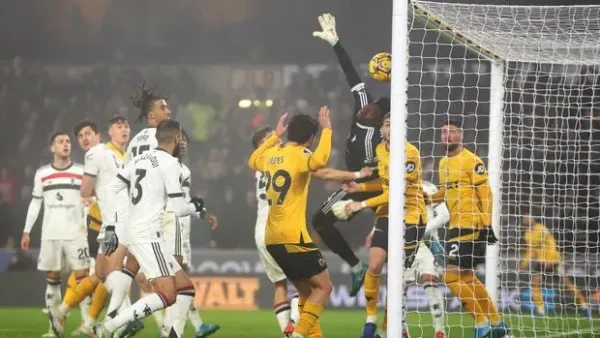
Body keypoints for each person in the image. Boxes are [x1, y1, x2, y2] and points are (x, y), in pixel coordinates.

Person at [93, 119, 206, 337]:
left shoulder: (137, 160)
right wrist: (196, 205)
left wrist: (113, 225)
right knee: (167, 295)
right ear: (177, 138)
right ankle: (108, 327)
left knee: (185, 287)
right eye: (181, 138)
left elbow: (109, 190)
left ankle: (172, 334)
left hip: (137, 231)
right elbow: (180, 208)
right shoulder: (171, 164)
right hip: (149, 235)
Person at [312, 12, 390, 296]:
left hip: (363, 189)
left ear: (379, 120)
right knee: (320, 221)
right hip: (354, 182)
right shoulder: (363, 101)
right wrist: (335, 43)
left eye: (371, 111)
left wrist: (360, 184)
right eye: (367, 106)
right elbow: (350, 73)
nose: (365, 108)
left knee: (321, 220)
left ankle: (360, 267)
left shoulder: (377, 143)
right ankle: (357, 266)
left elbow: (379, 173)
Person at [248, 108, 333, 338]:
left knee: (305, 293)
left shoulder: (272, 153)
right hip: (293, 236)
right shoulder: (301, 154)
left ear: (288, 133)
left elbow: (253, 160)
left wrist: (275, 136)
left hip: (272, 238)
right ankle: (296, 336)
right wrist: (328, 129)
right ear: (310, 138)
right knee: (324, 287)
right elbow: (319, 161)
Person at [342, 113, 428, 338]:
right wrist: (359, 188)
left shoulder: (410, 153)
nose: (388, 128)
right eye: (386, 124)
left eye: (393, 124)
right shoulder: (380, 150)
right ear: (381, 129)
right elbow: (385, 181)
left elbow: (395, 192)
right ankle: (370, 321)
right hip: (388, 214)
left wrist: (359, 204)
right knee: (375, 265)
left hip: (411, 217)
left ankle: (388, 328)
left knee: (398, 276)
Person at [428, 120, 508, 338]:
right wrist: (424, 198)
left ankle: (482, 326)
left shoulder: (472, 160)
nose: (446, 135)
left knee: (450, 277)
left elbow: (486, 194)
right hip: (456, 225)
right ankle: (497, 323)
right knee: (468, 278)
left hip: (470, 225)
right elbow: (444, 193)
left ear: (460, 135)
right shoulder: (443, 162)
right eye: (443, 132)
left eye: (451, 132)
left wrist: (487, 224)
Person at [20, 132, 90, 338]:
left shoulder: (81, 172)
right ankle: (54, 329)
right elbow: (35, 203)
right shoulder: (42, 174)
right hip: (50, 234)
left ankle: (89, 326)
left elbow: (89, 200)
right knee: (52, 280)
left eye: (68, 141)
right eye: (61, 142)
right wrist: (26, 231)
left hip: (76, 234)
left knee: (83, 280)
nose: (65, 144)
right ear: (52, 148)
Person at [364, 180, 450, 338]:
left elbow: (445, 215)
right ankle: (402, 331)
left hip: (427, 243)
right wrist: (374, 230)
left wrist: (421, 230)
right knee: (398, 288)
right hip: (402, 244)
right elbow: (386, 213)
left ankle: (440, 332)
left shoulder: (429, 187)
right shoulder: (396, 187)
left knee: (429, 281)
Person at [250, 126, 301, 336]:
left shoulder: (259, 167)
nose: (277, 138)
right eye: (271, 137)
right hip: (282, 227)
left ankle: (286, 333)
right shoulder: (282, 159)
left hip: (262, 231)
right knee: (305, 283)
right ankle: (295, 326)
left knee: (279, 284)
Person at [519, 212, 590, 317]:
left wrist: (550, 260)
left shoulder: (541, 229)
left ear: (533, 219)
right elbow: (531, 251)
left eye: (529, 216)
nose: (527, 218)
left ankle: (584, 306)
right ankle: (540, 309)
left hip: (553, 260)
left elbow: (551, 243)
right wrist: (523, 264)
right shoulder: (527, 234)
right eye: (525, 217)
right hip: (541, 262)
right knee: (534, 283)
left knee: (567, 285)